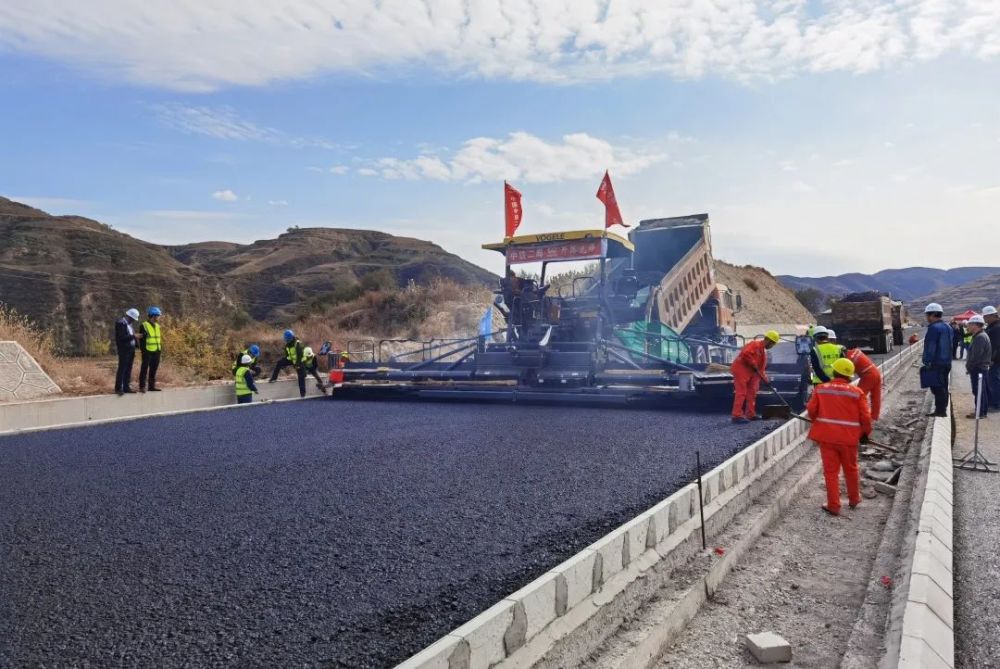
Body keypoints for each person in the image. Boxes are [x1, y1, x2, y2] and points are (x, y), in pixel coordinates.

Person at [807, 357, 872, 516]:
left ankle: (833, 506)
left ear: (834, 371)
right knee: (851, 469)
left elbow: (811, 410)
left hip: (827, 438)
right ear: (850, 376)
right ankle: (854, 499)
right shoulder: (857, 393)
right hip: (849, 439)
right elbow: (865, 417)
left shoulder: (821, 389)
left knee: (830, 472)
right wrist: (865, 434)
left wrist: (819, 422)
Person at [730, 330, 781, 424]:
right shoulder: (755, 344)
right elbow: (745, 353)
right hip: (741, 370)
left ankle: (750, 414)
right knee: (741, 393)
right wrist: (753, 364)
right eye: (772, 344)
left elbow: (761, 370)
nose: (772, 346)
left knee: (752, 392)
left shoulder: (763, 354)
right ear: (768, 340)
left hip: (751, 373)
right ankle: (736, 416)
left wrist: (766, 381)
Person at [920, 303, 953, 418]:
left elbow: (930, 347)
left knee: (937, 388)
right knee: (944, 386)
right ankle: (942, 409)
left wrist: (926, 361)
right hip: (947, 362)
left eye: (928, 315)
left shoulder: (934, 328)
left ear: (933, 314)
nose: (927, 317)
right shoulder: (948, 327)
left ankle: (940, 411)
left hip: (937, 363)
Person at [846, 345, 883, 421]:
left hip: (868, 376)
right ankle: (874, 417)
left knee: (858, 397)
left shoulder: (848, 358)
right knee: (876, 397)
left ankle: (858, 417)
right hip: (875, 372)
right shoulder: (855, 351)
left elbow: (847, 375)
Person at [964, 314, 992, 418]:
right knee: (980, 390)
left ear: (975, 325)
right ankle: (981, 411)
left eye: (970, 324)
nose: (968, 327)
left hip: (978, 368)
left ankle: (980, 413)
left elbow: (976, 356)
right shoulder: (979, 336)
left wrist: (969, 367)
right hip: (980, 368)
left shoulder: (980, 337)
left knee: (979, 391)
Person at [269, 329, 307, 397]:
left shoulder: (298, 344)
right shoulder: (287, 345)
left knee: (301, 376)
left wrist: (297, 365)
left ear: (292, 337)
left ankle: (303, 394)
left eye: (288, 339)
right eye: (286, 339)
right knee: (279, 362)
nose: (287, 340)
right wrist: (284, 363)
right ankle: (273, 378)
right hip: (292, 360)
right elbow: (287, 355)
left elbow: (300, 355)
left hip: (300, 361)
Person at [114, 308, 141, 395]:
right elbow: (121, 338)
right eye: (133, 319)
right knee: (122, 368)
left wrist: (137, 344)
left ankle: (126, 387)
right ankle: (119, 388)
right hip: (124, 349)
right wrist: (134, 336)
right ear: (129, 316)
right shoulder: (121, 323)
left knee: (128, 368)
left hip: (131, 349)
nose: (133, 321)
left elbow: (131, 336)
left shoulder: (129, 324)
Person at [138, 306, 163, 392]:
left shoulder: (158, 326)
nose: (159, 317)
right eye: (158, 315)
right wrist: (143, 350)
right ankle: (142, 386)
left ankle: (151, 386)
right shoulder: (144, 325)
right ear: (153, 316)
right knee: (144, 368)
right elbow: (142, 340)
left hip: (157, 350)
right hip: (147, 350)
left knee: (153, 369)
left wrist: (159, 349)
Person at [983, 306, 1000, 410]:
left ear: (991, 316)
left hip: (996, 360)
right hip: (994, 359)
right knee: (992, 380)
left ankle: (997, 403)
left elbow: (995, 347)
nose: (984, 319)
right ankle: (993, 401)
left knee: (995, 381)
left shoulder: (996, 328)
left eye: (985, 316)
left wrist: (991, 360)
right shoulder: (991, 326)